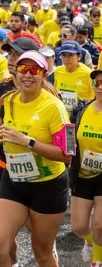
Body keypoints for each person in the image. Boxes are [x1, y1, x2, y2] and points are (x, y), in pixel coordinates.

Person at [0, 51, 73, 267]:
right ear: (16, 73)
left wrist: (27, 141)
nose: (28, 75)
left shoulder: (54, 107)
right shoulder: (7, 101)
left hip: (48, 187)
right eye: (23, 69)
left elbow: (66, 156)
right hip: (14, 182)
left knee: (42, 252)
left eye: (34, 70)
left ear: (44, 74)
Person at [70, 68, 102, 267]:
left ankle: (97, 262)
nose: (100, 88)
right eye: (96, 83)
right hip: (82, 175)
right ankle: (90, 242)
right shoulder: (82, 109)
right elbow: (70, 138)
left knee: (99, 225)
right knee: (79, 227)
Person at [54, 41, 94, 113]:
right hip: (62, 114)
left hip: (81, 114)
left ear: (79, 57)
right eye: (64, 55)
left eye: (70, 55)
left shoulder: (89, 73)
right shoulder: (57, 71)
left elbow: (95, 97)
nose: (67, 59)